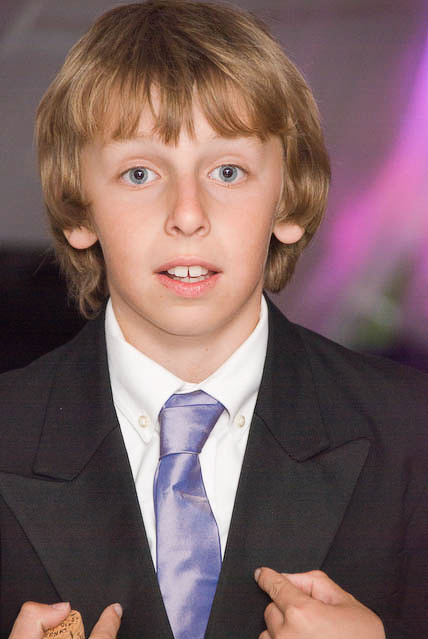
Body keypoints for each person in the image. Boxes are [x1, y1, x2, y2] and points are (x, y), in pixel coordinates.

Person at [1, 1, 427, 638]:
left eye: (228, 171)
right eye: (139, 172)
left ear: (289, 200)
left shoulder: (413, 433)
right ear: (78, 209)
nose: (188, 214)